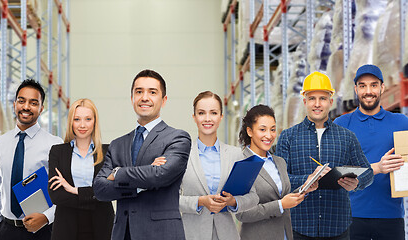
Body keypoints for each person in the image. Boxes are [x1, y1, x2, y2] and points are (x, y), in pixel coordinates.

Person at [333, 64, 408, 240]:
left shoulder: (400, 122)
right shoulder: (342, 124)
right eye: (362, 86)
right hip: (350, 217)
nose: (368, 91)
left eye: (373, 85)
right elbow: (335, 171)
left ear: (382, 88)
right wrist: (377, 167)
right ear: (356, 89)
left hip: (390, 217)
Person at [92, 69, 191, 240]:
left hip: (162, 234)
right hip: (123, 234)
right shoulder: (117, 145)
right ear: (132, 99)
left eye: (152, 92)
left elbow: (160, 175)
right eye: (139, 92)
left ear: (164, 100)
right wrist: (143, 180)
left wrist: (117, 173)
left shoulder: (177, 138)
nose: (144, 97)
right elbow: (100, 189)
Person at [275, 71, 374, 240]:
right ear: (305, 101)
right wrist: (306, 180)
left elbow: (368, 172)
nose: (317, 104)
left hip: (337, 226)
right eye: (312, 98)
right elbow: (279, 179)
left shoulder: (347, 137)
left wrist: (356, 183)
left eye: (322, 98)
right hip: (300, 225)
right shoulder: (288, 137)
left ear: (330, 101)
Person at [178, 91, 258, 240]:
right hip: (192, 235)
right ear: (194, 117)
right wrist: (199, 201)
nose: (207, 118)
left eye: (213, 113)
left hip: (227, 234)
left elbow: (253, 197)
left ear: (221, 117)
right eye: (201, 113)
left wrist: (233, 202)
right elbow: (170, 200)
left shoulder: (236, 155)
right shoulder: (183, 156)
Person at [236, 104, 322, 240]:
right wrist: (280, 205)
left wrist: (304, 188)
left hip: (284, 234)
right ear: (250, 131)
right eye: (262, 130)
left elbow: (282, 196)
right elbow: (242, 213)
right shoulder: (242, 163)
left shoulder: (279, 161)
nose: (269, 135)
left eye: (273, 129)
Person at [0, 79, 63, 239]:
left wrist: (46, 218)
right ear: (15, 103)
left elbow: (64, 194)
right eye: (21, 101)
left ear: (41, 108)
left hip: (41, 231)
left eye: (33, 103)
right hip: (6, 231)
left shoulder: (54, 144)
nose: (26, 107)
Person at [47, 99, 114, 240]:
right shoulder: (58, 152)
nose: (82, 125)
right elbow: (56, 195)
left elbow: (110, 191)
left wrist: (74, 190)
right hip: (66, 228)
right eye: (77, 119)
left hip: (102, 227)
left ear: (95, 122)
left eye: (88, 119)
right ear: (71, 122)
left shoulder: (108, 152)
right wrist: (94, 195)